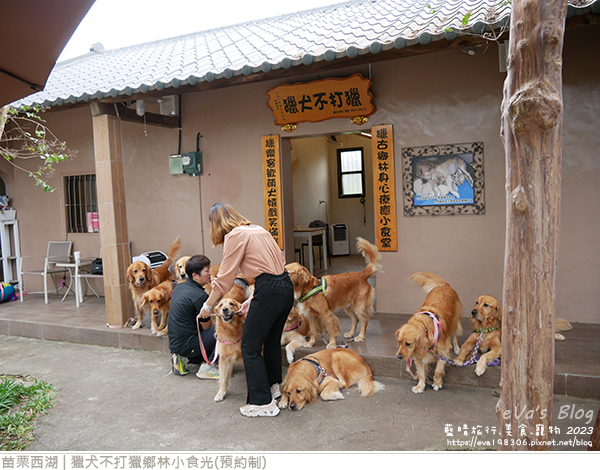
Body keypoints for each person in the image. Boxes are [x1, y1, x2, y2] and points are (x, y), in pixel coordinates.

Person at [199, 203, 294, 418]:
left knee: (250, 346)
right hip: (284, 287)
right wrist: (254, 298)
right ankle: (273, 387)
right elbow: (277, 267)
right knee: (270, 341)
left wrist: (207, 307)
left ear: (216, 224)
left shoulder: (234, 236)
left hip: (268, 289)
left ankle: (262, 403)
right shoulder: (259, 229)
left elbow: (224, 280)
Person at [168, 254, 219, 380]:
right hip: (190, 345)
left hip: (175, 344)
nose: (210, 274)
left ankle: (182, 357)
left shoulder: (179, 287)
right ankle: (209, 367)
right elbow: (206, 327)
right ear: (195, 275)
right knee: (222, 329)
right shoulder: (200, 296)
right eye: (206, 271)